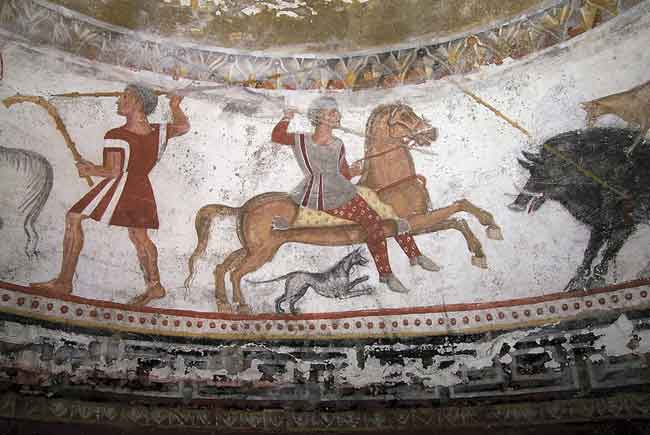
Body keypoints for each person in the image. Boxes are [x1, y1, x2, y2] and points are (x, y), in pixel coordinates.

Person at [32, 84, 190, 306]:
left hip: (121, 187)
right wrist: (175, 105)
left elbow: (112, 171)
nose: (118, 101)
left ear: (137, 102)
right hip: (142, 188)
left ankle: (64, 282)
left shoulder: (116, 135)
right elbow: (183, 126)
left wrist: (89, 169)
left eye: (123, 97)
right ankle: (155, 286)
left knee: (74, 217)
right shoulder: (159, 132)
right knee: (140, 236)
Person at [271, 96, 438, 293]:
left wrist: (353, 171)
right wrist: (287, 117)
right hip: (322, 195)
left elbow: (342, 174)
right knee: (373, 221)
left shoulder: (338, 143)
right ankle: (386, 274)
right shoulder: (301, 140)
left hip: (342, 189)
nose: (337, 115)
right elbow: (277, 136)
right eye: (332, 112)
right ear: (320, 117)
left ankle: (415, 255)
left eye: (336, 111)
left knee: (387, 211)